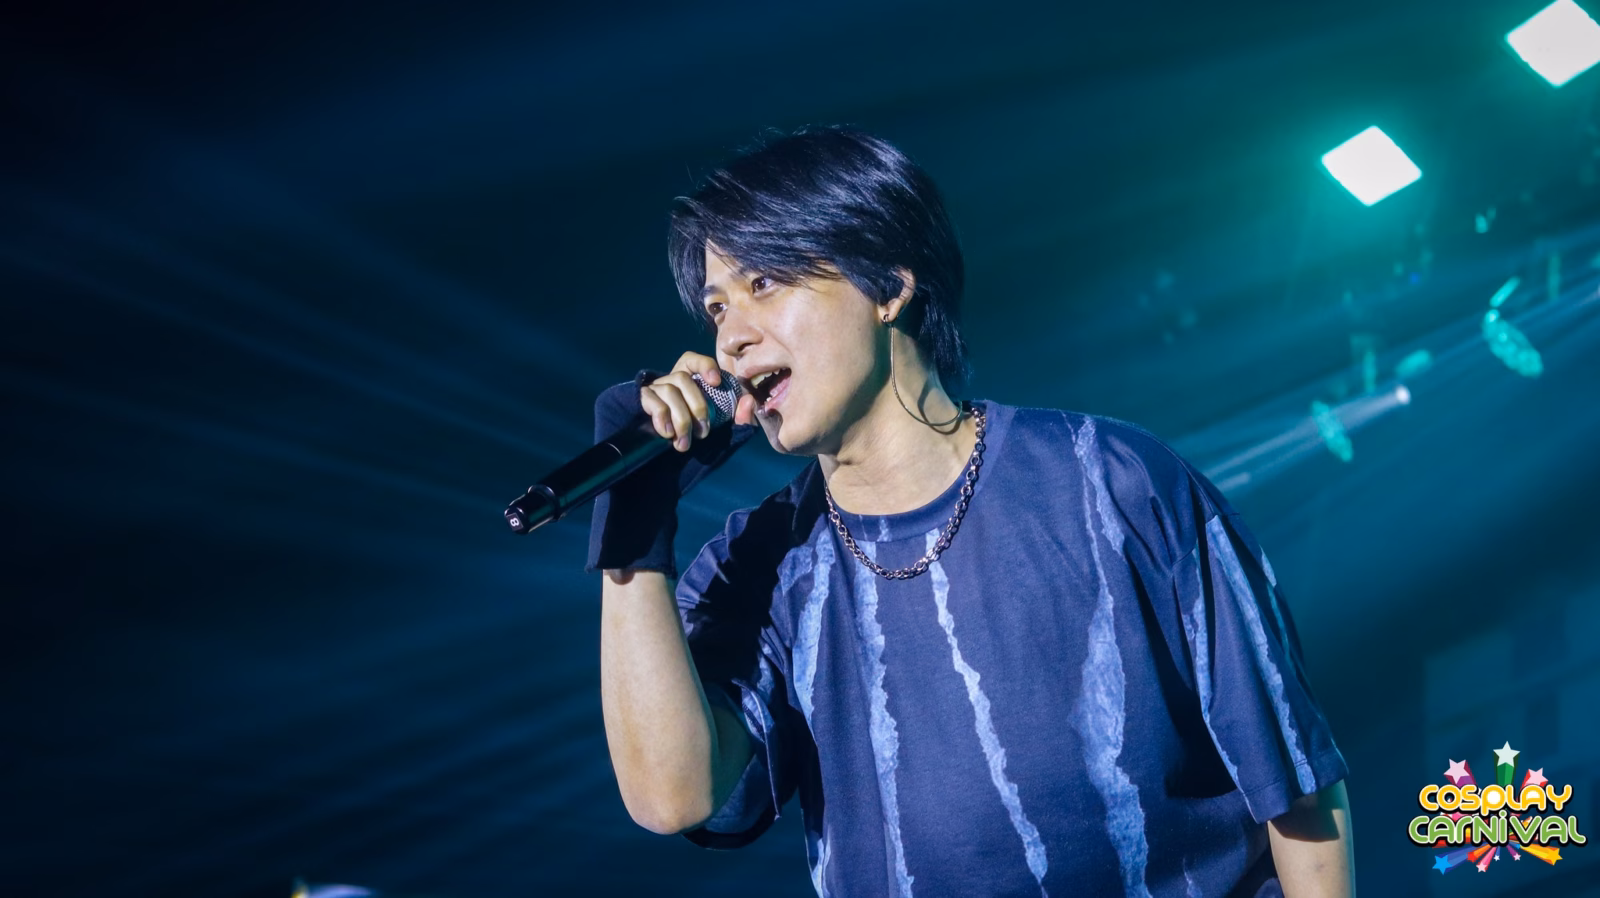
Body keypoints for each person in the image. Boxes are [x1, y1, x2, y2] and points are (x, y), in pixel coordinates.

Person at [586, 126, 1355, 897]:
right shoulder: (757, 564)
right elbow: (672, 796)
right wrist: (634, 526)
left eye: (764, 283)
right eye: (717, 309)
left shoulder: (1111, 478)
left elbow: (1296, 781)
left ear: (888, 286)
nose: (732, 339)